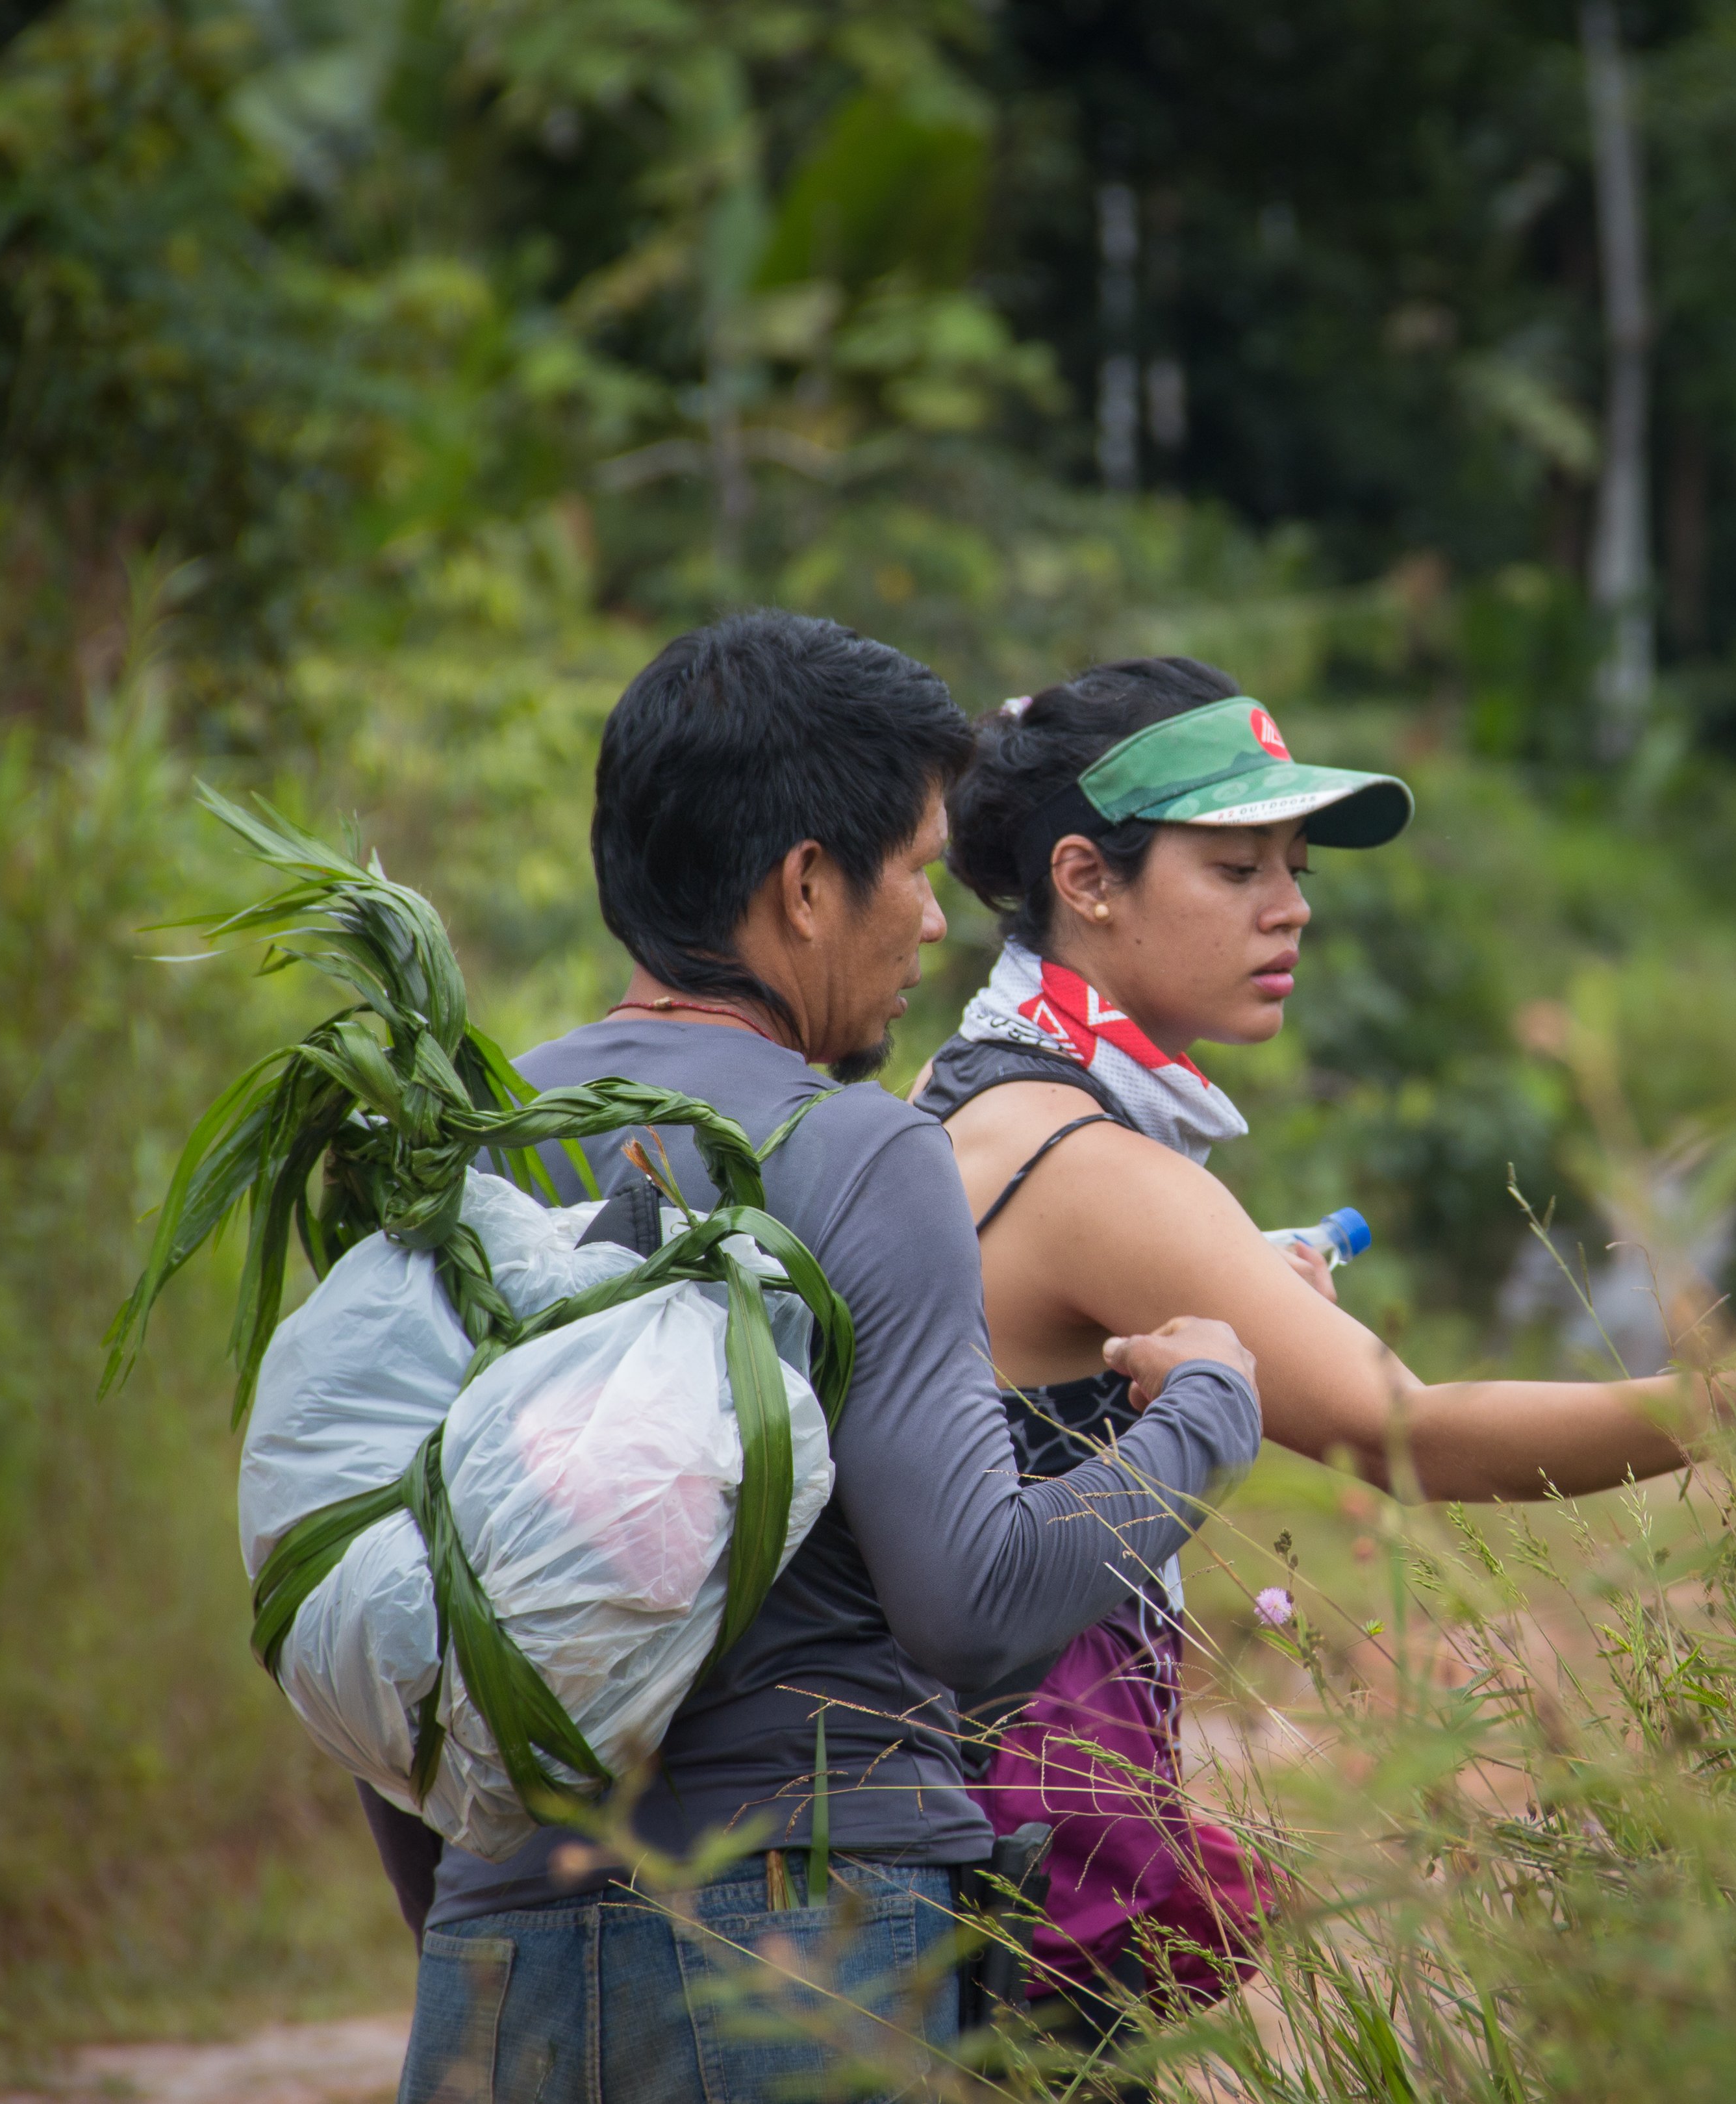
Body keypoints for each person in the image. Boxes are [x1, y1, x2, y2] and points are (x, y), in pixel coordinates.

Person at [909, 656, 1736, 2029]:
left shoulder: (971, 1090)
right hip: (1016, 1840)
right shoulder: (1086, 1160)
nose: (1289, 908)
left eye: (1293, 865)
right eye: (1233, 869)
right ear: (1086, 881)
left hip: (944, 1823)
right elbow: (1410, 1437)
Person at [388, 613, 1266, 2104]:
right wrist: (1206, 1412)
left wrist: (492, 1908)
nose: (934, 922)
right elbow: (976, 1606)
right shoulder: (858, 1152)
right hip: (804, 1938)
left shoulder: (463, 1147)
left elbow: (383, 1606)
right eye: (917, 872)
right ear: (806, 887)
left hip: (495, 1943)